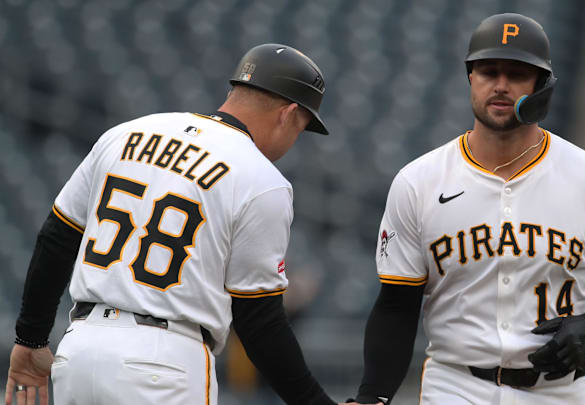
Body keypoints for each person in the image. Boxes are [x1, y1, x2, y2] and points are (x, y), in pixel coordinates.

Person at [5, 43, 357, 405]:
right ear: (288, 114)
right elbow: (259, 320)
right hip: (165, 363)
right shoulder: (262, 178)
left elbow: (57, 238)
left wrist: (30, 340)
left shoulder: (126, 133)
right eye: (299, 128)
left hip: (79, 349)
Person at [351, 13, 585, 405]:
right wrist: (373, 398)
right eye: (488, 70)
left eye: (516, 73)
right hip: (455, 386)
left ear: (542, 85)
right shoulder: (419, 182)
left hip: (560, 391)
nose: (500, 85)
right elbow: (396, 305)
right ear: (470, 78)